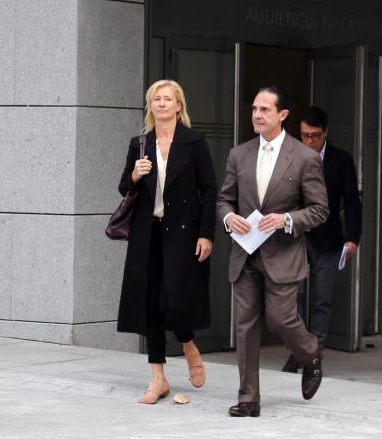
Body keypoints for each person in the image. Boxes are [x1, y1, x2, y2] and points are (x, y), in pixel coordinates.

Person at [216, 86, 329, 418]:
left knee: (281, 319)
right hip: (245, 253)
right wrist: (227, 217)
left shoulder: (305, 157)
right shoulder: (239, 154)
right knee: (246, 327)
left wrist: (287, 219)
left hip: (283, 254)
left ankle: (311, 354)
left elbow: (320, 210)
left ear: (282, 115)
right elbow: (224, 199)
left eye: (264, 109)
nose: (256, 115)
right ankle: (248, 398)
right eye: (254, 109)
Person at [116, 79, 218, 404]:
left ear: (178, 106)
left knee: (170, 301)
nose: (161, 104)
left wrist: (206, 233)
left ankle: (188, 344)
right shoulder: (140, 144)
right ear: (151, 106)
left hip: (184, 233)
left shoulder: (194, 142)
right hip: (149, 234)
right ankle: (157, 378)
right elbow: (124, 187)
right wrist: (135, 174)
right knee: (150, 306)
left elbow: (209, 190)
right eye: (156, 99)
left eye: (167, 99)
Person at [281, 107, 362, 373]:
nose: (309, 141)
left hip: (328, 239)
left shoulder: (341, 161)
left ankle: (314, 356)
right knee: (293, 298)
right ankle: (299, 351)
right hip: (296, 238)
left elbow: (352, 202)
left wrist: (353, 238)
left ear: (325, 133)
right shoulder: (291, 157)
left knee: (321, 300)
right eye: (304, 136)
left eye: (315, 136)